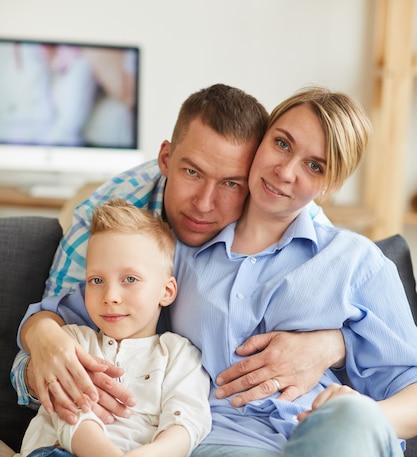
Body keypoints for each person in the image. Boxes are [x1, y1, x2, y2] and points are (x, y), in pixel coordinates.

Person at [13, 85, 417, 457]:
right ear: (260, 146)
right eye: (281, 144)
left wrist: (352, 385)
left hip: (351, 453)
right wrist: (39, 333)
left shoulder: (360, 264)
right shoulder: (183, 251)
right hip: (225, 453)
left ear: (334, 181)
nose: (286, 170)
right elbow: (73, 314)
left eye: (315, 164)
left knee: (345, 418)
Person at [11, 83, 346, 428]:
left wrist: (333, 344)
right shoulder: (106, 219)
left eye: (231, 183)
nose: (204, 204)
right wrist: (43, 340)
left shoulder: (286, 213)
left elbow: (358, 313)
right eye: (192, 172)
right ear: (166, 159)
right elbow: (42, 347)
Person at [7, 200, 211, 457]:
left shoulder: (178, 354)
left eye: (130, 279)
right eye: (96, 280)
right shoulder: (73, 342)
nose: (110, 295)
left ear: (167, 291)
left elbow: (188, 423)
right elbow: (68, 417)